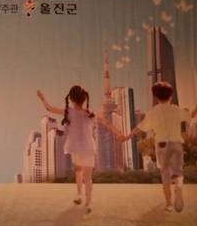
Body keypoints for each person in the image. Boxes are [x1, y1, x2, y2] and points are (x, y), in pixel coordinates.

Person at [37, 86, 121, 214]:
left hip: (76, 149)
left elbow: (50, 108)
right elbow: (107, 123)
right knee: (88, 177)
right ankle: (89, 203)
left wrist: (42, 97)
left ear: (71, 99)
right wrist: (118, 132)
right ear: (84, 99)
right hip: (88, 148)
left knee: (78, 171)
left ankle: (79, 194)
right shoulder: (90, 113)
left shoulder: (69, 111)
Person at [118, 81, 197, 212]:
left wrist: (127, 137)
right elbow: (190, 116)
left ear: (155, 97)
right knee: (177, 172)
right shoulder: (175, 109)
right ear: (171, 95)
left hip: (162, 145)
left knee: (165, 174)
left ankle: (169, 204)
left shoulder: (153, 112)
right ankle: (178, 187)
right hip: (176, 144)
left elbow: (140, 127)